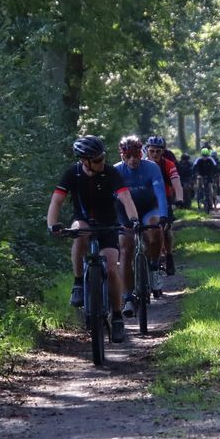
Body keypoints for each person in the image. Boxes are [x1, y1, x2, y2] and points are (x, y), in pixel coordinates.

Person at [46, 135, 140, 343]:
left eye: (103, 157)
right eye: (97, 160)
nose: (102, 162)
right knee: (79, 232)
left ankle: (116, 317)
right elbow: (56, 201)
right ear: (84, 161)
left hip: (109, 223)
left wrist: (133, 219)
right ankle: (79, 283)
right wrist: (52, 224)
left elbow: (126, 197)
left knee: (112, 267)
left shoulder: (111, 173)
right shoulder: (73, 173)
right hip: (84, 219)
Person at [113, 135, 168, 318]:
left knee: (155, 229)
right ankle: (128, 296)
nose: (132, 160)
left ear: (141, 154)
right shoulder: (116, 171)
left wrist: (164, 216)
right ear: (122, 156)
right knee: (125, 249)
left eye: (136, 155)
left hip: (148, 208)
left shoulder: (151, 168)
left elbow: (160, 192)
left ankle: (153, 267)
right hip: (125, 213)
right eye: (128, 156)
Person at [144, 135, 185, 277]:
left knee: (166, 230)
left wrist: (179, 198)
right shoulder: (141, 165)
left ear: (163, 152)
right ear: (147, 151)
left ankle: (168, 255)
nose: (155, 154)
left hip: (164, 199)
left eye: (158, 151)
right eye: (152, 151)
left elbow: (177, 183)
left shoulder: (168, 165)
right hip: (145, 200)